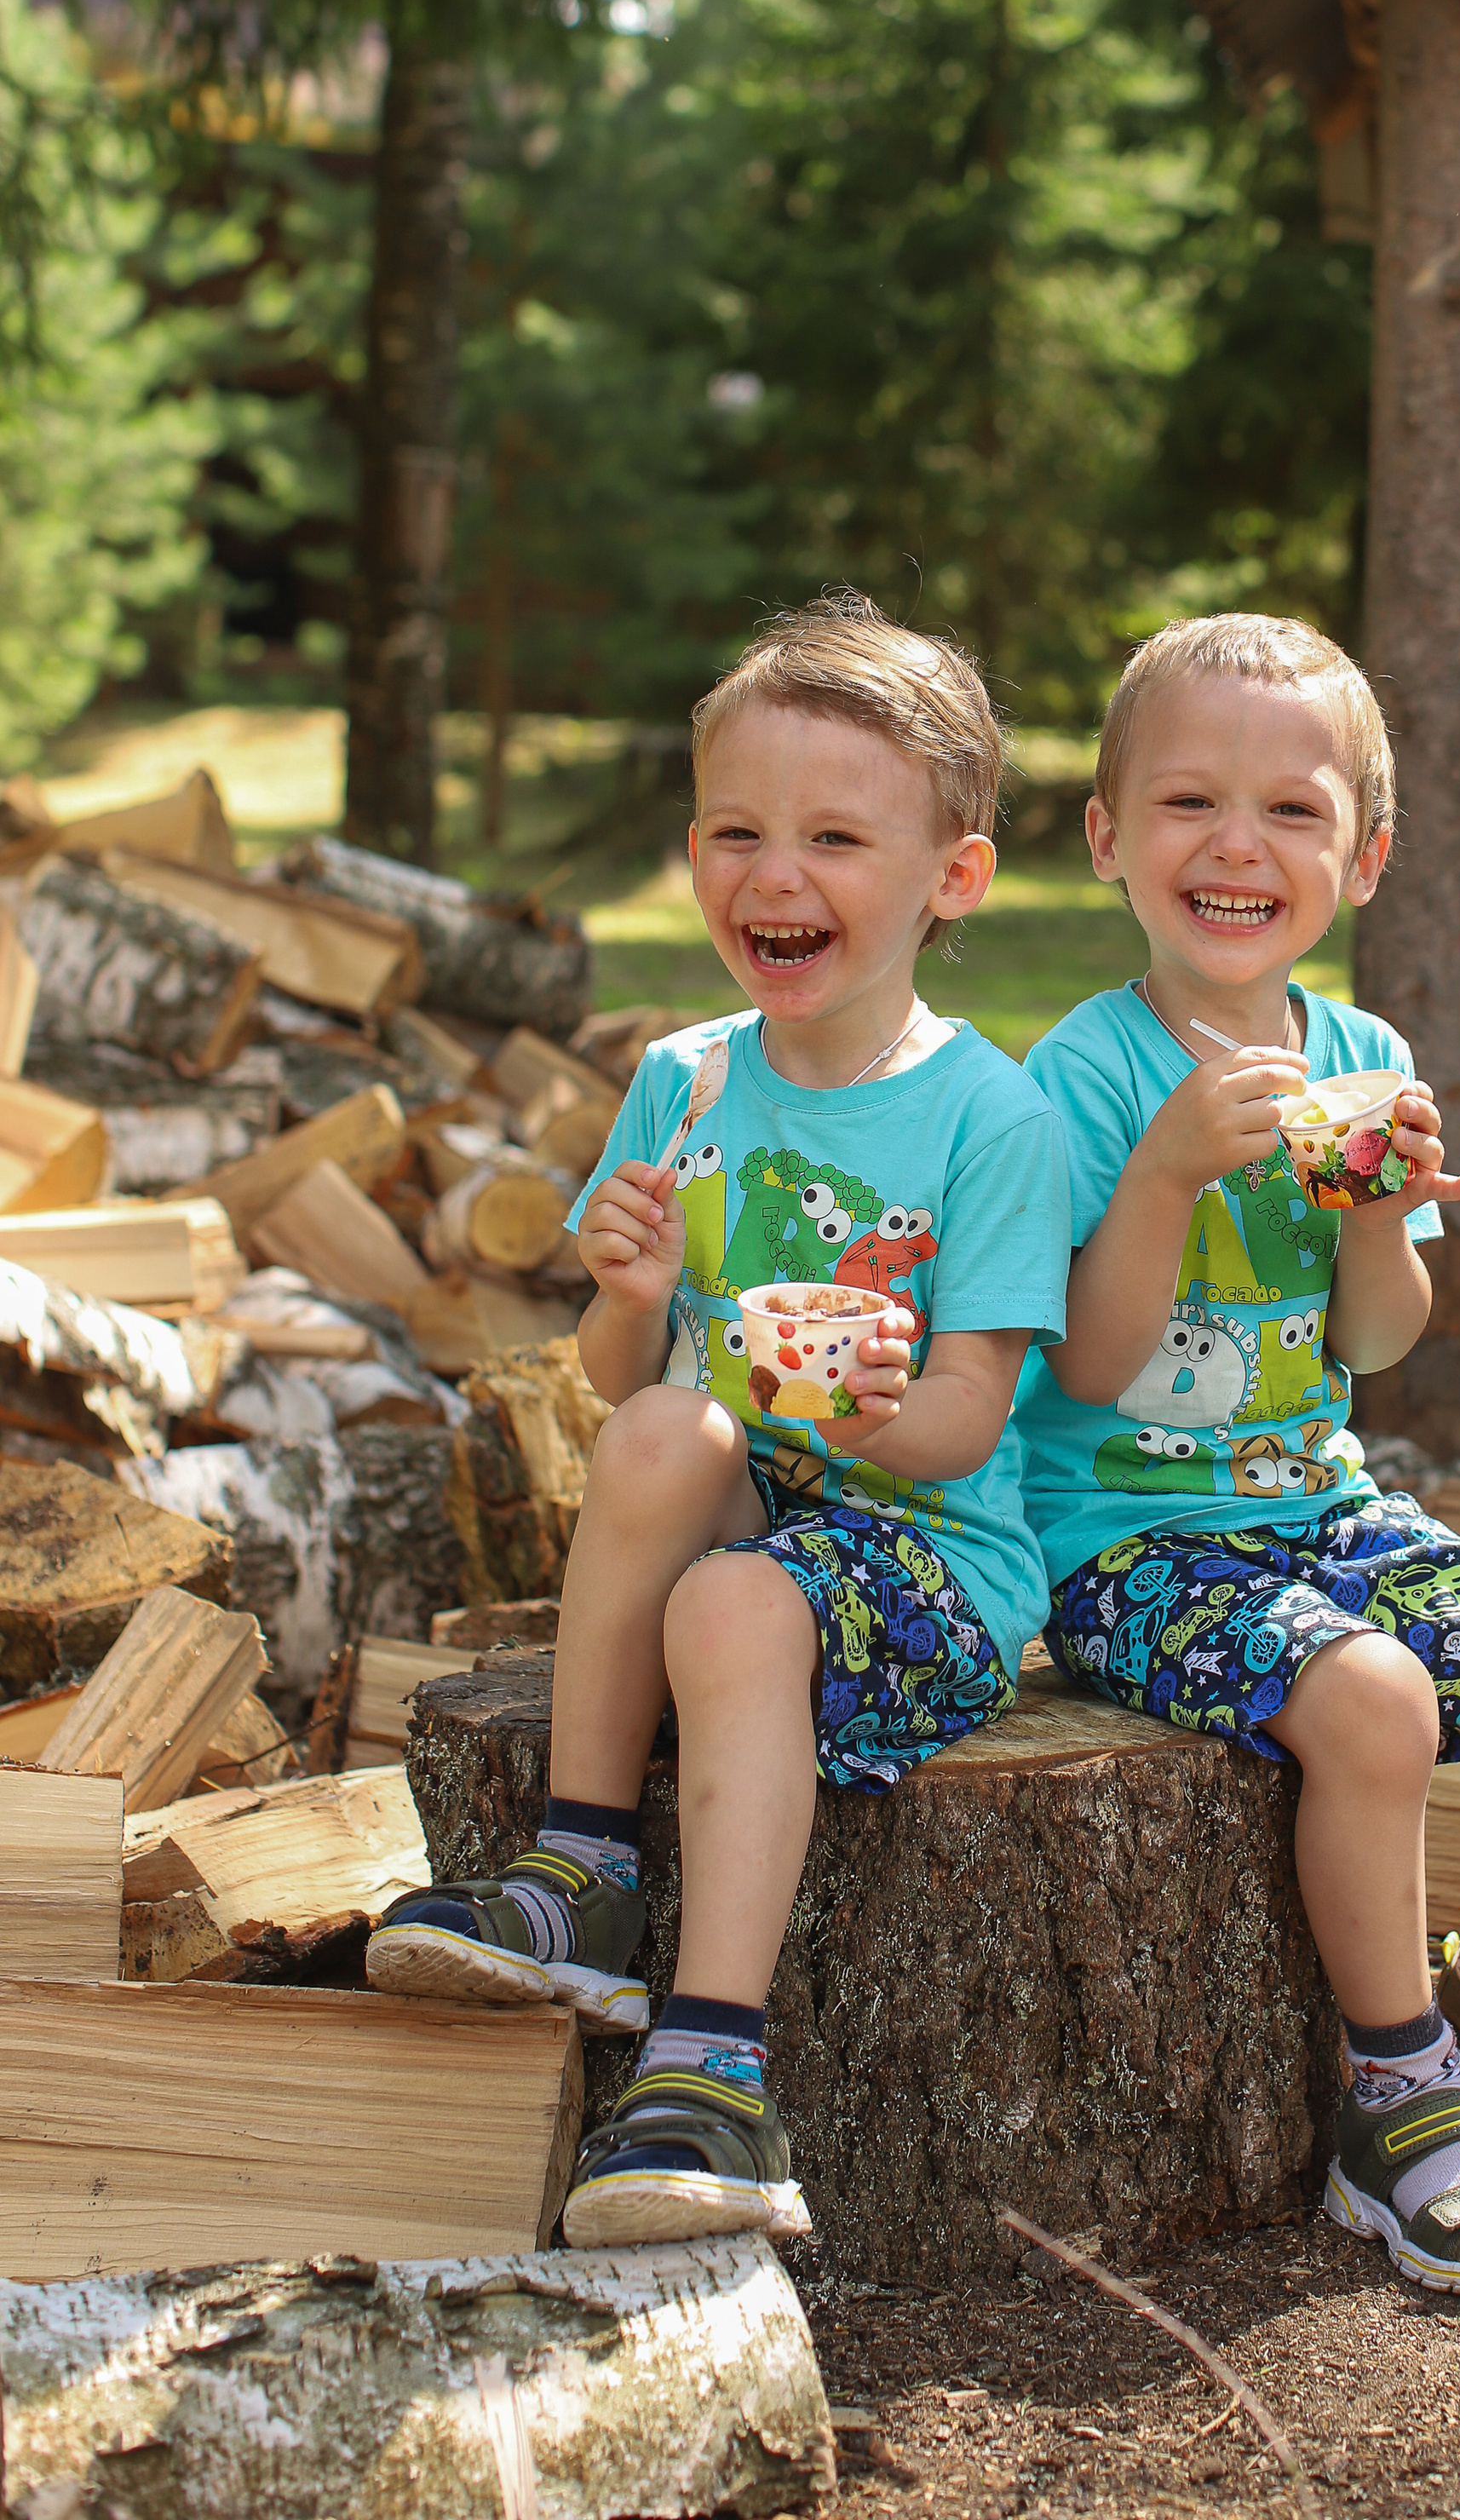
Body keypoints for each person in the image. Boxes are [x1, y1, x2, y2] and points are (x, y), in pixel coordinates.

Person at [1012, 613, 1460, 2299]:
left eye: (1292, 811)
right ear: (1110, 838)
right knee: (1379, 1708)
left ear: (1362, 855)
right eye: (1188, 803)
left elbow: (1381, 1343)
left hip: (1317, 1504)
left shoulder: (1365, 1059)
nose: (1237, 845)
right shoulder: (1083, 1077)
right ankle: (1397, 2099)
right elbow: (1091, 1361)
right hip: (1125, 1543)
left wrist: (1371, 1217)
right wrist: (1165, 1180)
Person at [367, 595, 1070, 2252]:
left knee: (729, 1596)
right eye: (739, 831)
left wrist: (877, 1408)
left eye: (835, 837)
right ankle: (583, 1865)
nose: (777, 875)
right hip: (748, 1503)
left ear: (948, 878)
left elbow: (969, 1427)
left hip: (929, 1550)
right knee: (657, 1438)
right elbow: (629, 1385)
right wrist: (621, 1285)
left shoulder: (993, 1117)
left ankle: (712, 2072)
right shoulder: (683, 1079)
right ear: (691, 850)